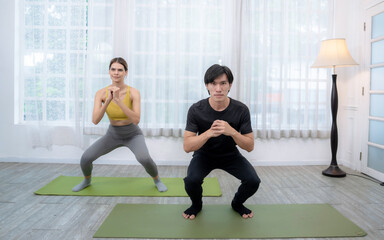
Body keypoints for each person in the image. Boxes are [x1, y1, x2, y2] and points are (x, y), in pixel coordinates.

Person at [72, 57, 167, 192]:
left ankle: (157, 180)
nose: (116, 73)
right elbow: (95, 120)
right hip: (113, 134)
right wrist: (109, 100)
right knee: (86, 158)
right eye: (113, 69)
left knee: (144, 158)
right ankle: (87, 180)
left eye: (120, 70)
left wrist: (118, 100)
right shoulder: (101, 93)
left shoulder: (133, 92)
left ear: (126, 73)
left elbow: (136, 119)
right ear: (109, 72)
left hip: (133, 134)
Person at [182, 64, 260, 219]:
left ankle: (237, 203)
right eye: (213, 83)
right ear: (207, 85)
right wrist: (209, 133)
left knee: (253, 181)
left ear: (229, 85)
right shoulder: (196, 109)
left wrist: (231, 131)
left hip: (230, 155)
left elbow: (250, 146)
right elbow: (187, 147)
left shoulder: (241, 110)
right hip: (204, 155)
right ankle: (196, 205)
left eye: (223, 83)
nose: (218, 88)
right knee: (191, 180)